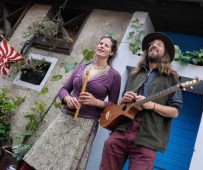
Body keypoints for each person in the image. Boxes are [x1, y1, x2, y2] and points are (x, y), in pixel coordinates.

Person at [20, 35, 121, 170]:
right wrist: (68, 99)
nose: (101, 46)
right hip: (65, 117)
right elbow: (64, 89)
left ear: (112, 52)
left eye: (106, 45)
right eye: (100, 43)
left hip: (84, 125)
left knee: (65, 162)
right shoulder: (82, 67)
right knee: (42, 152)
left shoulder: (114, 76)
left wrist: (96, 102)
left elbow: (113, 106)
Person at [99, 32, 183, 170]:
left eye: (159, 45)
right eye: (152, 44)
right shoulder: (135, 74)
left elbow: (174, 112)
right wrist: (124, 99)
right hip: (122, 130)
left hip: (147, 137)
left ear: (165, 53)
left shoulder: (172, 78)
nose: (154, 46)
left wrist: (152, 105)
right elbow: (122, 105)